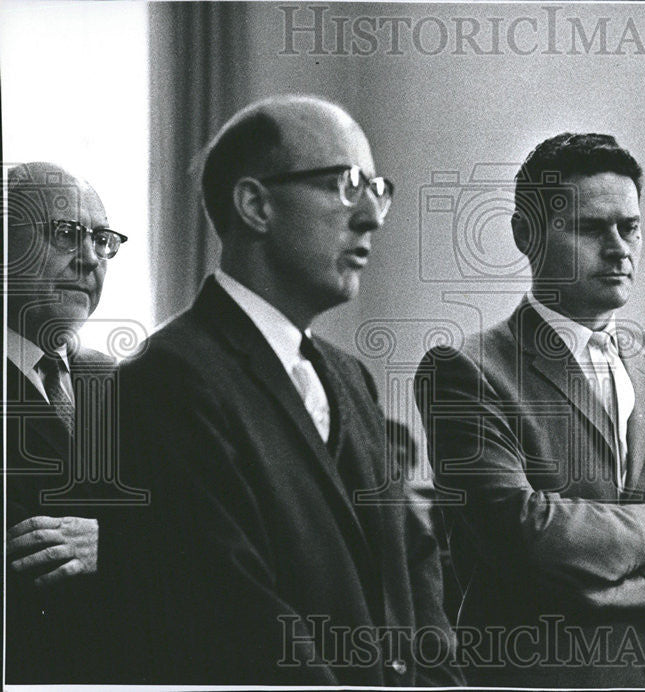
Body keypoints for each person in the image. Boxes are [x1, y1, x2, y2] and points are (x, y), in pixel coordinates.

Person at [415, 132, 645, 687]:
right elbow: (526, 533)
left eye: (631, 227)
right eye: (592, 229)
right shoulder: (467, 371)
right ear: (527, 235)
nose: (619, 248)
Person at [109, 95, 462, 685]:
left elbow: (413, 568)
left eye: (378, 189)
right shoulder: (167, 379)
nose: (372, 216)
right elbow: (237, 621)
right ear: (255, 204)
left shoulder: (351, 378)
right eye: (347, 184)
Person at [4, 162, 128, 681]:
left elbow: (193, 524)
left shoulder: (119, 379)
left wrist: (118, 544)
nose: (89, 259)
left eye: (102, 240)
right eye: (66, 234)